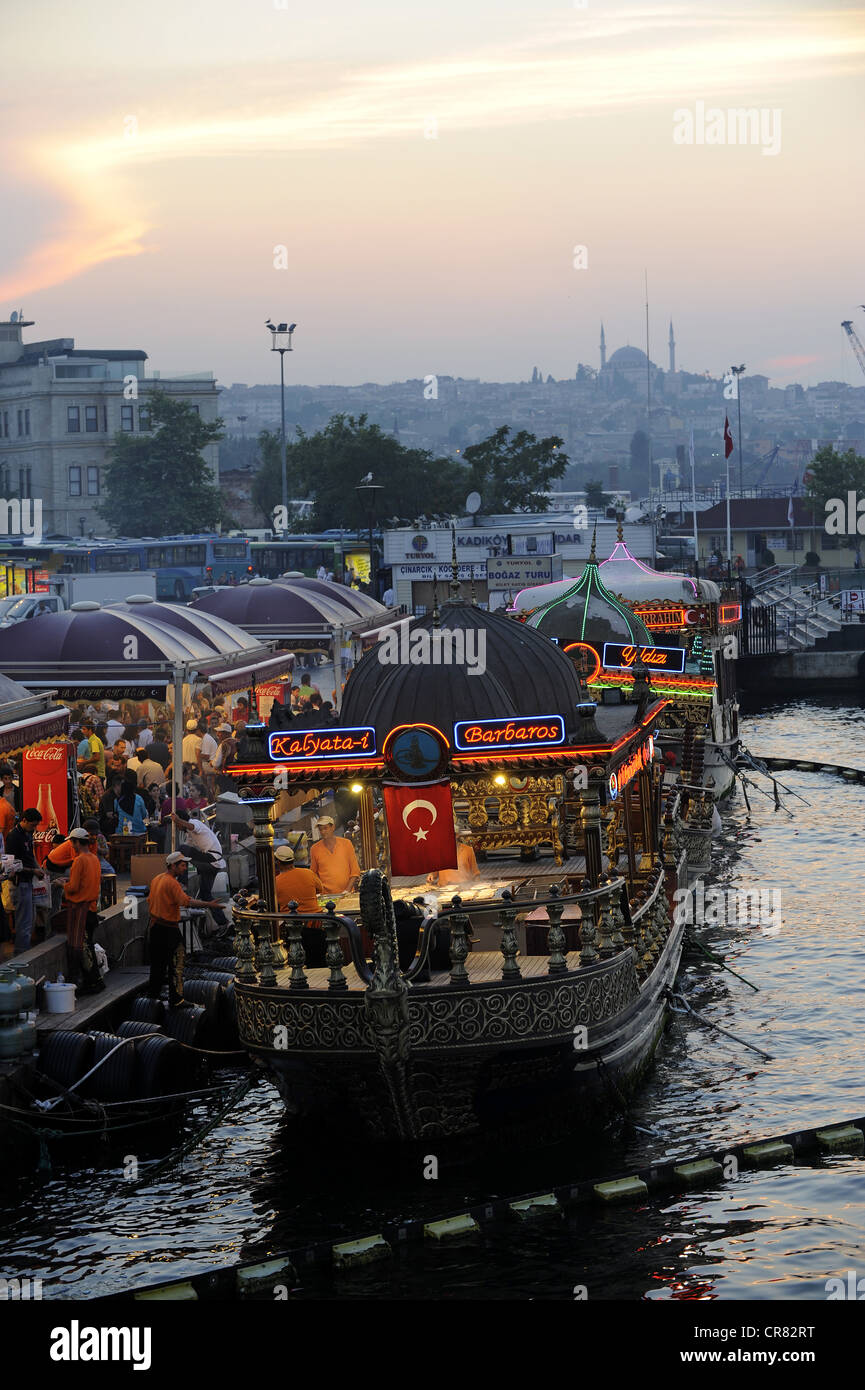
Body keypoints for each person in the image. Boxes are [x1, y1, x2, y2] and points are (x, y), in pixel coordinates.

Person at [145, 852, 221, 1008]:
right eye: (182, 865)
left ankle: (152, 996)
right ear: (173, 866)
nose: (185, 868)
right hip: (169, 930)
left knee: (157, 965)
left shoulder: (156, 879)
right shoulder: (172, 883)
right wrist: (209, 905)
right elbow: (187, 901)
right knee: (177, 964)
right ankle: (177, 999)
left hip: (155, 928)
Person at [61, 827, 105, 994]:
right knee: (88, 948)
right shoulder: (94, 858)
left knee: (83, 949)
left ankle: (93, 983)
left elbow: (73, 887)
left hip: (83, 911)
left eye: (72, 842)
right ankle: (94, 981)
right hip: (92, 909)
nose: (71, 846)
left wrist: (62, 885)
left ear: (77, 842)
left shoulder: (80, 860)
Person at [169, 807, 227, 918]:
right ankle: (223, 923)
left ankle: (182, 882)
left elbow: (191, 827)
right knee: (206, 895)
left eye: (177, 824)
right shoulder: (189, 834)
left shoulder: (194, 823)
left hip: (212, 858)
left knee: (182, 848)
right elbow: (187, 849)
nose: (177, 827)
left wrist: (177, 820)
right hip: (211, 863)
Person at [6, 808, 45, 955]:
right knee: (23, 921)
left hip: (28, 882)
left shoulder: (28, 834)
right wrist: (32, 871)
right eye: (32, 825)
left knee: (30, 919)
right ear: (24, 820)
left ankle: (25, 950)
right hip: (19, 883)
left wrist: (38, 867)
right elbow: (11, 865)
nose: (34, 829)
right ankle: (21, 954)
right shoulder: (13, 836)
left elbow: (30, 855)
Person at [309, 816, 360, 895]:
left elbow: (355, 871)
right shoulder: (314, 849)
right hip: (326, 896)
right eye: (320, 829)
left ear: (333, 827)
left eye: (325, 828)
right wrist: (319, 891)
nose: (323, 832)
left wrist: (347, 891)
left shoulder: (346, 844)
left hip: (347, 893)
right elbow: (313, 874)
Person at [274, 844, 323, 913]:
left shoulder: (275, 882)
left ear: (278, 862)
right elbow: (319, 890)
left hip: (291, 921)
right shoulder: (308, 873)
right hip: (315, 920)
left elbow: (273, 902)